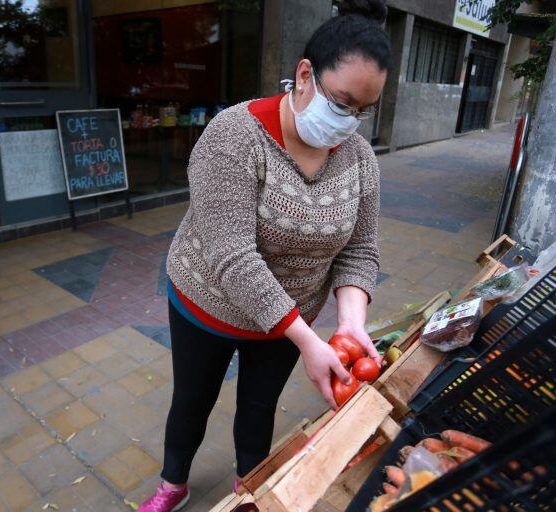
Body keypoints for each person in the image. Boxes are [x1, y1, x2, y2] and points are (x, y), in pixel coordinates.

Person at [138, 1, 392, 510]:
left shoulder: (360, 158)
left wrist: (349, 324)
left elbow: (360, 249)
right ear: (304, 75)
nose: (349, 122)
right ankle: (173, 484)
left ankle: (249, 487)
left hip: (292, 315)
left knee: (259, 407)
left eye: (362, 111)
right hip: (208, 300)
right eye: (341, 103)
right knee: (192, 399)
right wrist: (306, 339)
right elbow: (232, 256)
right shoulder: (233, 138)